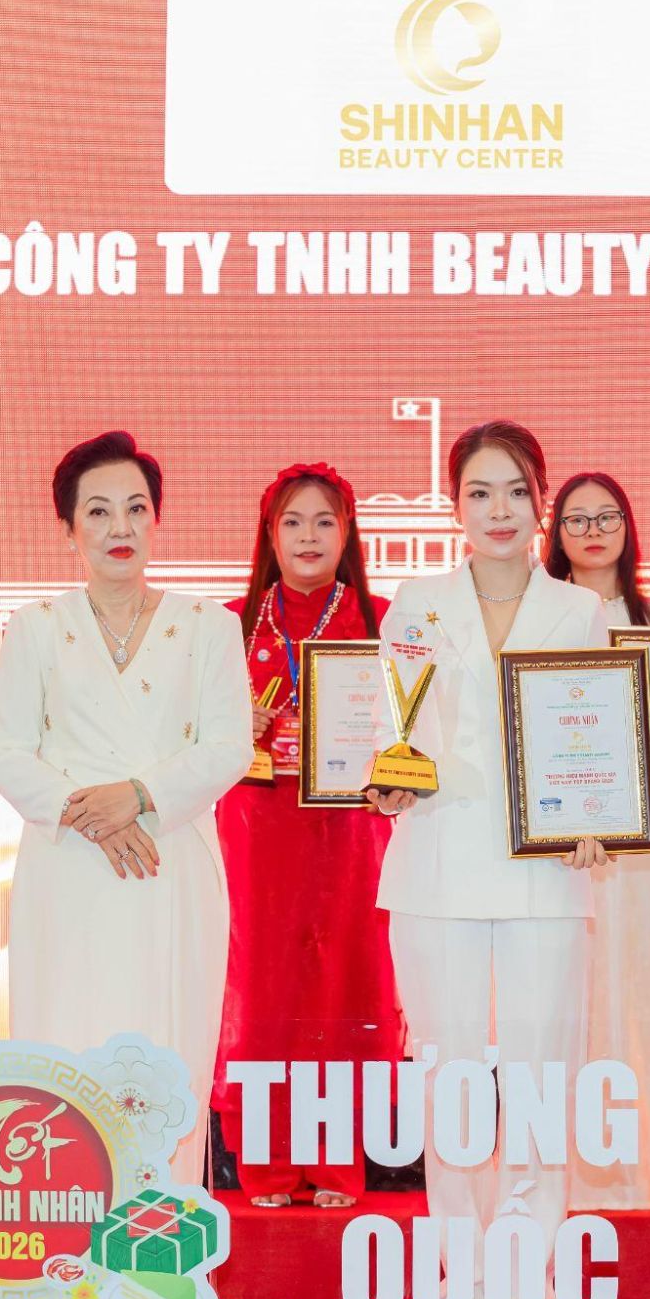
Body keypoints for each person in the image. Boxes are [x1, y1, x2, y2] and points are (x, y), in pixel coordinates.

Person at [367, 422, 609, 1299]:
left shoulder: (577, 609)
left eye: (515, 490)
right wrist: (386, 780)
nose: (498, 510)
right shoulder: (415, 601)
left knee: (544, 1077)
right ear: (455, 505)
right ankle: (464, 1271)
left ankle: (528, 1274)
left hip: (548, 870)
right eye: (479, 492)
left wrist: (597, 817)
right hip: (438, 862)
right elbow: (390, 730)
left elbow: (593, 741)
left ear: (541, 500)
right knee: (453, 1081)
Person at [0, 430, 253, 1186]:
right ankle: (63, 1238)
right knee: (65, 1047)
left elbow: (229, 747)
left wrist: (135, 797)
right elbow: (3, 753)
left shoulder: (208, 626)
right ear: (68, 528)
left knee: (167, 1055)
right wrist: (90, 813)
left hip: (170, 863)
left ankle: (165, 1240)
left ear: (156, 519)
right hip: (68, 868)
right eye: (97, 511)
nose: (119, 527)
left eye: (135, 508)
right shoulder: (36, 627)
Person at [213, 462, 400, 1209]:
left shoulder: (383, 620)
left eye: (325, 521)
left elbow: (413, 727)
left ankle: (337, 1162)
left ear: (348, 533)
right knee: (262, 989)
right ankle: (265, 1163)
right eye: (292, 521)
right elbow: (191, 736)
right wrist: (235, 724)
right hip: (257, 833)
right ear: (269, 534)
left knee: (343, 986)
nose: (309, 536)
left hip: (350, 833)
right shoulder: (228, 624)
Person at [544, 471, 650, 1212]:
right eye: (576, 519)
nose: (593, 531)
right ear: (556, 534)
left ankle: (646, 1167)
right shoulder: (540, 618)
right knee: (564, 1000)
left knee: (641, 996)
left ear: (628, 525)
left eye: (606, 516)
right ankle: (564, 1174)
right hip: (559, 848)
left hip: (639, 854)